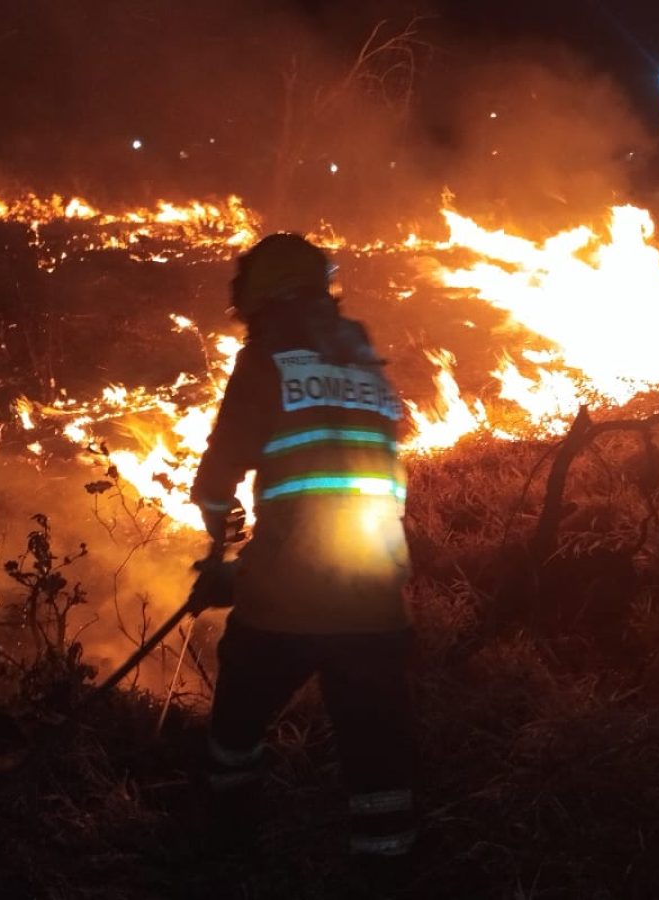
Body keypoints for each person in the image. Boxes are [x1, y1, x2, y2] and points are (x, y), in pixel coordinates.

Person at [189, 232, 416, 861]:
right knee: (377, 746)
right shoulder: (362, 356)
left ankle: (226, 840)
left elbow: (220, 473)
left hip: (286, 602)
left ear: (259, 299)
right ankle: (388, 860)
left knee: (237, 719)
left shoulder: (264, 359)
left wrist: (221, 537)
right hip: (375, 590)